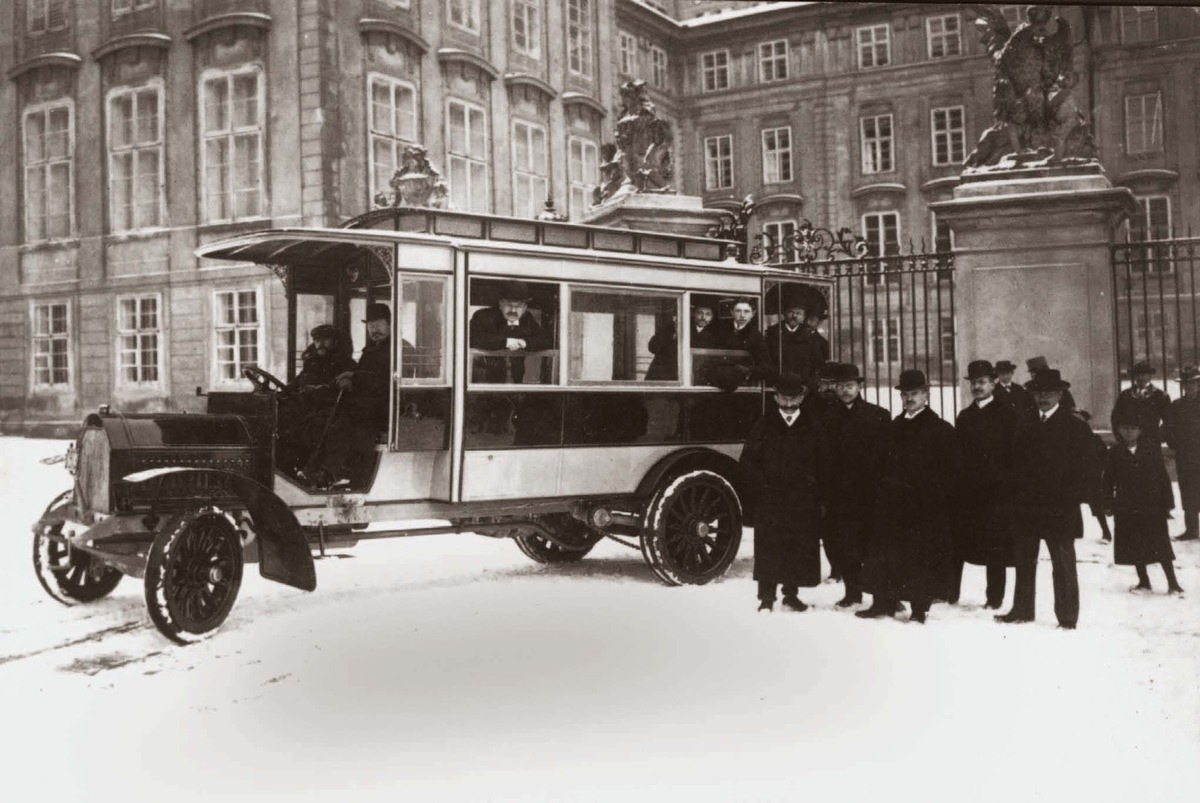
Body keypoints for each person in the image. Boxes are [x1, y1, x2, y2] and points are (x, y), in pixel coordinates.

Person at [859, 369, 962, 623]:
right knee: (885, 553)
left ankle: (918, 608)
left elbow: (952, 470)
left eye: (914, 393)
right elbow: (879, 464)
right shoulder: (893, 427)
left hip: (923, 507)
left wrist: (932, 494)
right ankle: (882, 602)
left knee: (920, 557)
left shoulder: (941, 429)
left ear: (926, 394)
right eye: (905, 394)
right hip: (892, 505)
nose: (909, 398)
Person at [996, 368, 1092, 629]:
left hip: (1059, 507)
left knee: (1062, 563)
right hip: (1027, 505)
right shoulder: (1024, 420)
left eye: (1048, 393)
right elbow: (1013, 460)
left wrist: (1072, 496)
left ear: (1060, 394)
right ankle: (1022, 608)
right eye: (1038, 393)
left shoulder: (1074, 425)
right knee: (1024, 559)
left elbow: (1088, 465)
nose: (1043, 398)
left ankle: (1067, 616)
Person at [739, 372, 828, 612]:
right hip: (771, 500)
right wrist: (763, 487)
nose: (788, 405)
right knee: (769, 547)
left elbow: (823, 463)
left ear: (802, 397)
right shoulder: (763, 425)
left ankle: (791, 594)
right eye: (783, 399)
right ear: (775, 398)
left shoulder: (812, 426)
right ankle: (766, 598)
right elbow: (748, 462)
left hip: (802, 500)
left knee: (796, 545)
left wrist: (815, 492)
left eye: (794, 399)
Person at [821, 363, 891, 608]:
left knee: (871, 546)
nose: (845, 391)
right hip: (840, 494)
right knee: (844, 545)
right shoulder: (827, 417)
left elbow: (886, 456)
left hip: (869, 493)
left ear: (860, 386)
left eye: (850, 386)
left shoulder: (878, 415)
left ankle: (882, 596)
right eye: (840, 386)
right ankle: (853, 593)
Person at [950, 360, 1018, 609]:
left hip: (995, 493)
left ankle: (994, 598)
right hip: (968, 493)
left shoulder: (1008, 415)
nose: (977, 387)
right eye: (974, 383)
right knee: (959, 542)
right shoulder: (965, 416)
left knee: (995, 547)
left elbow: (1013, 455)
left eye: (982, 382)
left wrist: (1004, 484)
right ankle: (950, 592)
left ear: (993, 383)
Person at [306, 303, 393, 488]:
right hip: (368, 403)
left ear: (390, 323)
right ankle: (316, 469)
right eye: (370, 326)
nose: (373, 329)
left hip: (387, 406)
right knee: (329, 417)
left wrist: (354, 377)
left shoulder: (396, 351)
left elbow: (383, 381)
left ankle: (330, 472)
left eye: (378, 324)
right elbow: (364, 376)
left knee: (343, 420)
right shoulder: (370, 351)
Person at [1105, 407, 1184, 595]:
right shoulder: (1115, 452)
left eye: (1133, 428)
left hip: (1151, 505)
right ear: (1119, 430)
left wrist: (1167, 503)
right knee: (1134, 544)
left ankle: (1173, 583)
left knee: (1160, 544)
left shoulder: (1151, 450)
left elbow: (1163, 477)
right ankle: (1144, 581)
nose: (1129, 432)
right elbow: (1107, 479)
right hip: (1126, 505)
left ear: (1140, 430)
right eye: (1124, 428)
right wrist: (1107, 503)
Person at [468, 280, 551, 384]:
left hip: (516, 383)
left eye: (519, 306)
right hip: (485, 384)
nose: (513, 310)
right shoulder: (483, 316)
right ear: (500, 304)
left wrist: (525, 342)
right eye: (509, 305)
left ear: (525, 308)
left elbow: (546, 340)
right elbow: (474, 338)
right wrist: (507, 342)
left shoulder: (527, 319)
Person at [1166, 365, 1200, 541]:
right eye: (1186, 383)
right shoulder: (1177, 405)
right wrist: (1175, 443)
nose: (1189, 386)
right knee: (1188, 493)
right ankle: (1192, 530)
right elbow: (1168, 428)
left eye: (1193, 383)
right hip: (1185, 456)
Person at [1072, 409, 1114, 543]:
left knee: (1097, 506)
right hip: (1073, 478)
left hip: (1090, 478)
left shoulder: (1094, 439)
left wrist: (1098, 471)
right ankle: (1077, 531)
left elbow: (1104, 458)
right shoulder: (1066, 437)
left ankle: (1106, 532)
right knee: (1071, 505)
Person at [764, 301, 825, 388]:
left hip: (803, 385)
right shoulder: (772, 333)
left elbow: (817, 362)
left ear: (803, 317)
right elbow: (766, 360)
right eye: (791, 312)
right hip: (777, 383)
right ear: (784, 314)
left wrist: (809, 383)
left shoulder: (809, 335)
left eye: (799, 313)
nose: (794, 316)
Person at [1112, 360, 1171, 445]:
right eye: (1138, 375)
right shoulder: (1125, 395)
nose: (1141, 378)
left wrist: (1158, 437)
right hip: (1129, 443)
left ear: (1150, 376)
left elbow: (1169, 421)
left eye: (1144, 375)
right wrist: (1121, 438)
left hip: (1151, 444)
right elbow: (1115, 418)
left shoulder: (1160, 396)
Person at [709, 297, 769, 382]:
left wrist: (748, 370)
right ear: (732, 313)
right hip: (718, 380)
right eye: (738, 311)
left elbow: (765, 366)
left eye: (746, 311)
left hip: (742, 383)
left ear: (753, 314)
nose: (742, 315)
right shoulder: (720, 330)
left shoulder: (756, 336)